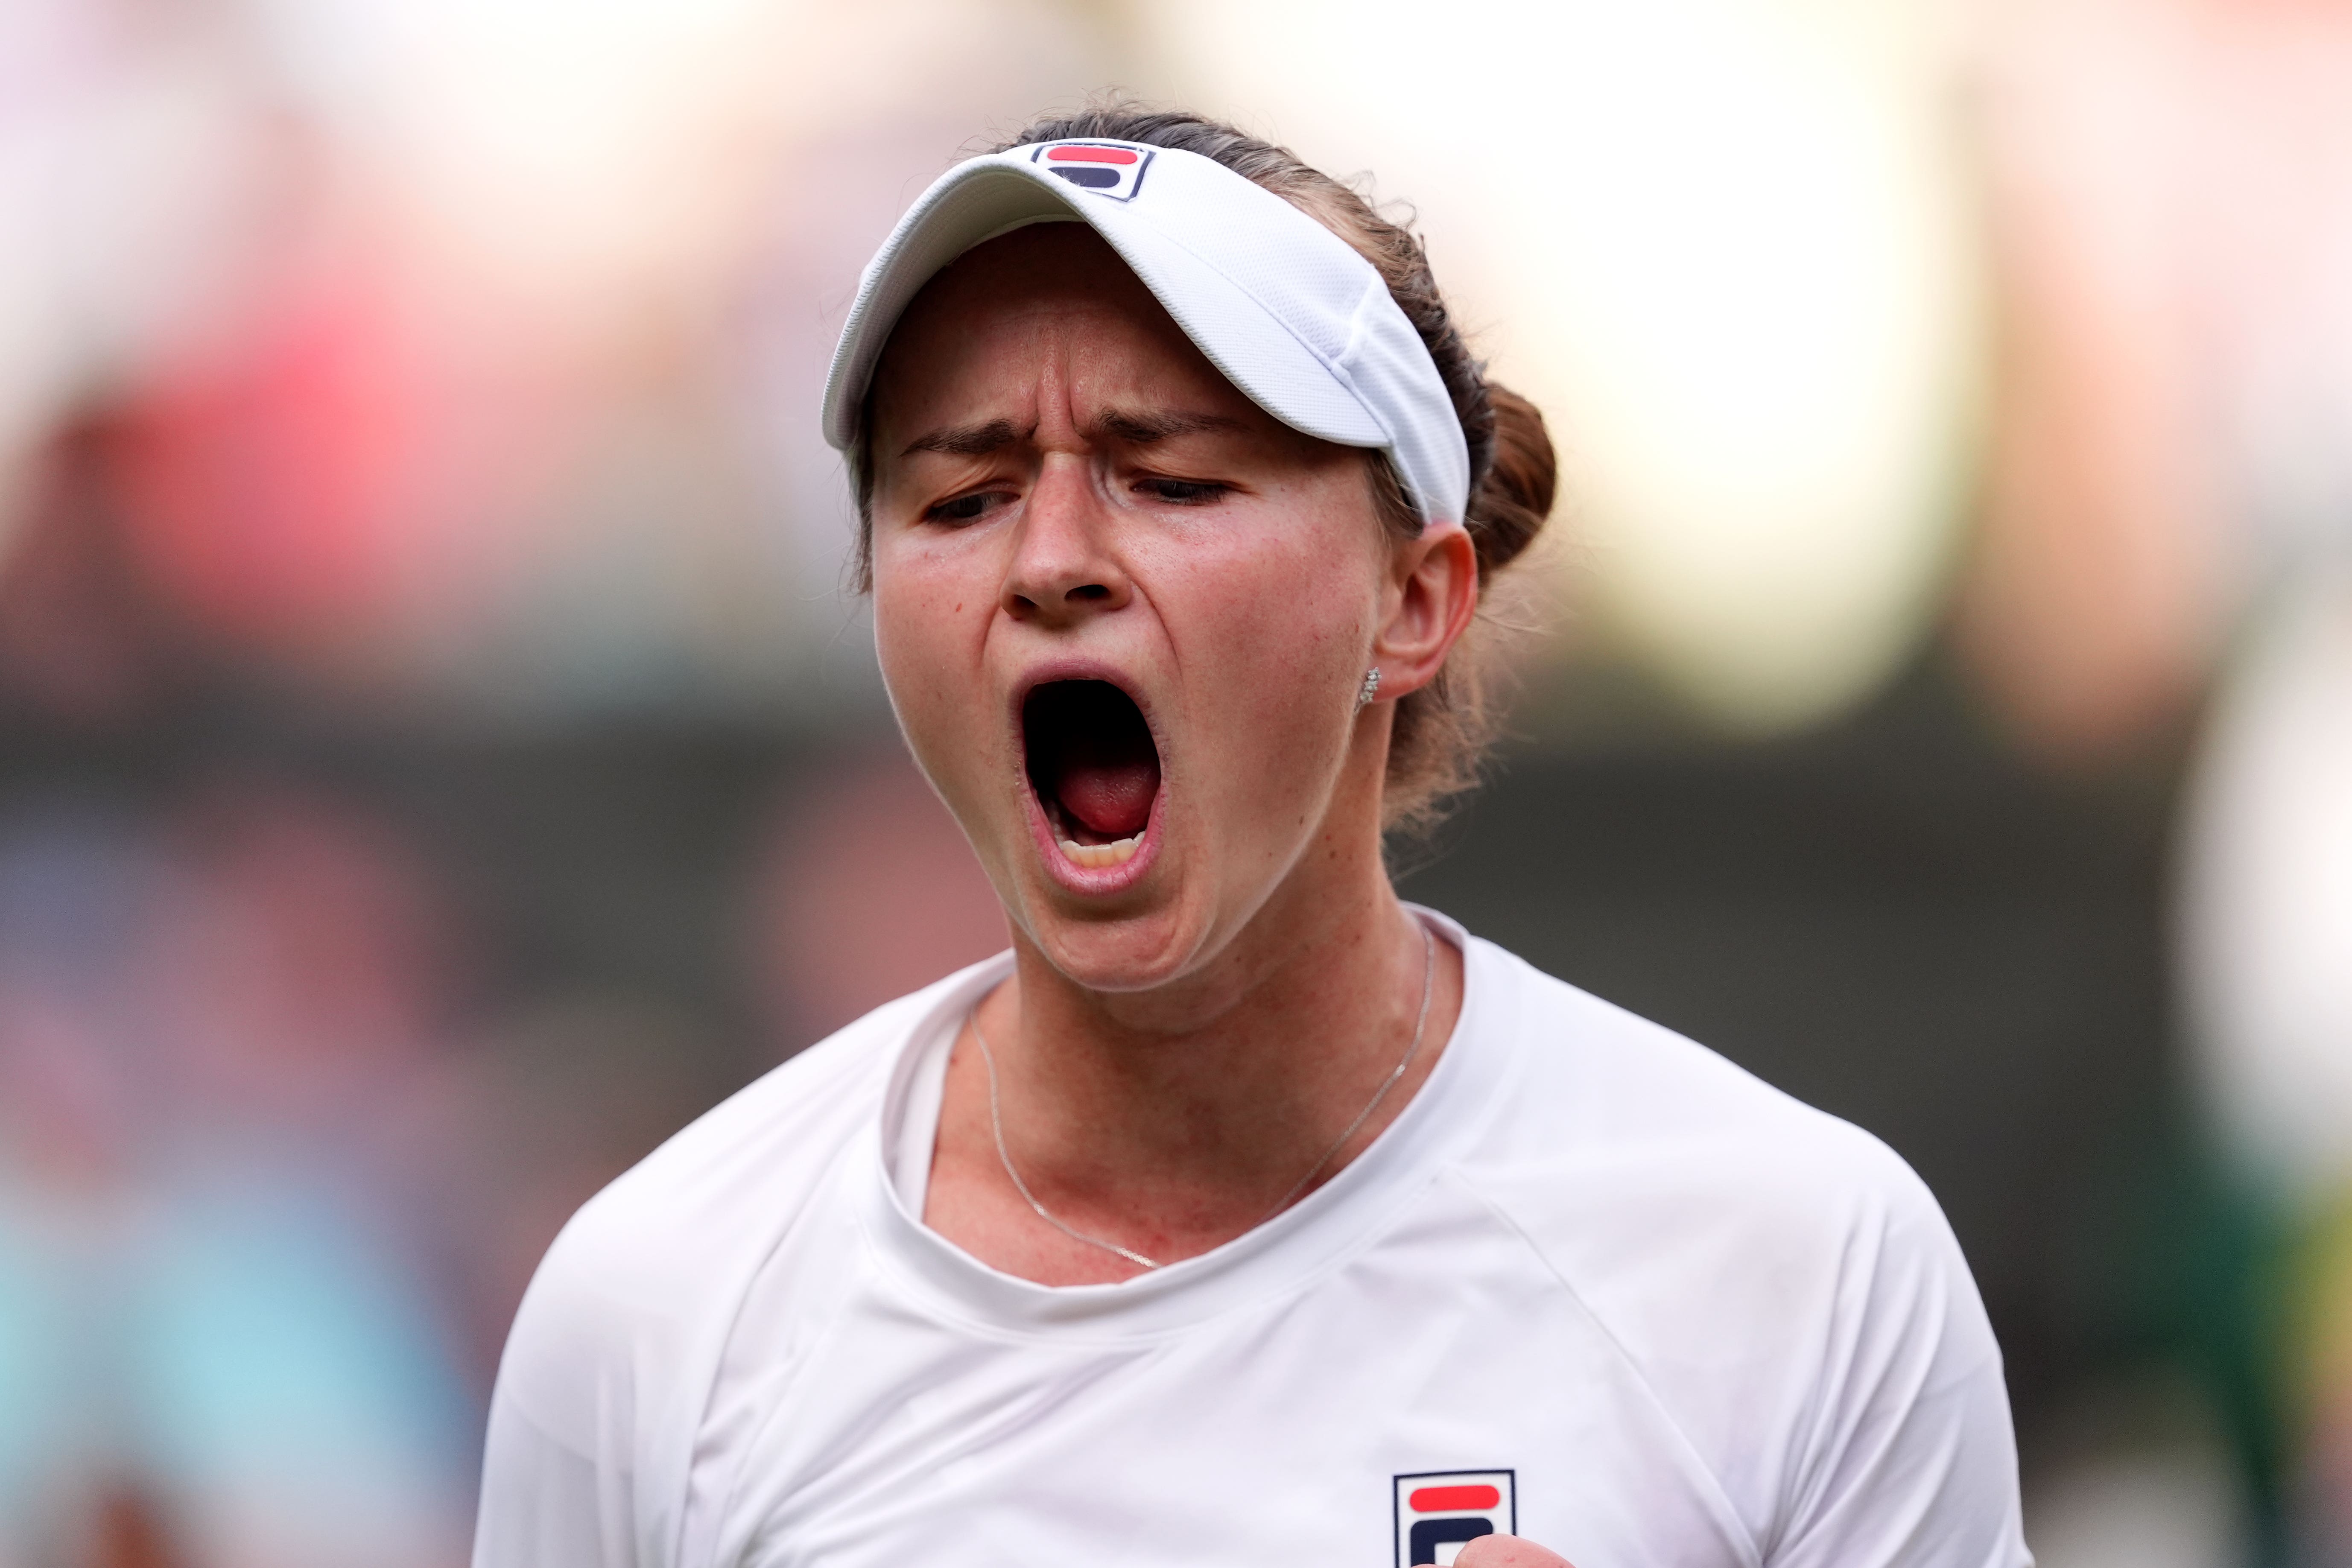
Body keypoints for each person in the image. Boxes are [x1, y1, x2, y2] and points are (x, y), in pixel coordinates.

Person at [470, 105, 2031, 1568]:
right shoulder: (656, 1310)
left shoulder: (1800, 1264)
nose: (1054, 557)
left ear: (1414, 598)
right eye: (961, 497)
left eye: (1171, 477)